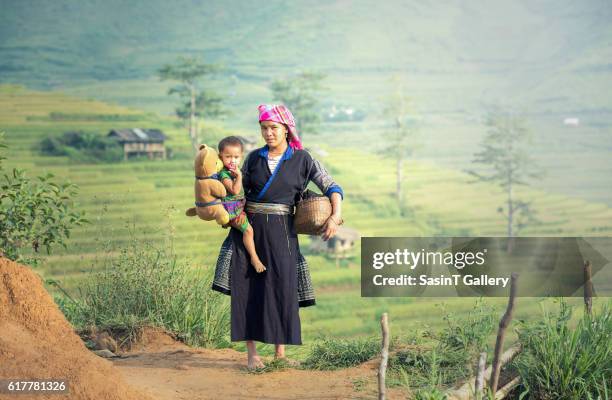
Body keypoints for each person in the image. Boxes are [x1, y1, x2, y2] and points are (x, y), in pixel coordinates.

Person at [212, 104, 343, 370]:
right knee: (247, 289)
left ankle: (280, 353)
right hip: (250, 227)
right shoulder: (253, 159)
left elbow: (332, 186)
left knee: (282, 287)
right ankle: (252, 356)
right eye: (264, 128)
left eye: (273, 128)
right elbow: (238, 192)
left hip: (283, 231)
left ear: (286, 129)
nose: (268, 133)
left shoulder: (303, 159)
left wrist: (334, 216)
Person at [217, 136, 266, 273]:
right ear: (221, 156)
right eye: (228, 157)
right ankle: (254, 258)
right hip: (232, 210)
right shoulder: (224, 174)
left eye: (236, 157)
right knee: (248, 231)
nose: (233, 160)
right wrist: (238, 176)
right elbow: (234, 190)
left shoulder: (232, 171)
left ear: (241, 156)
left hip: (239, 207)